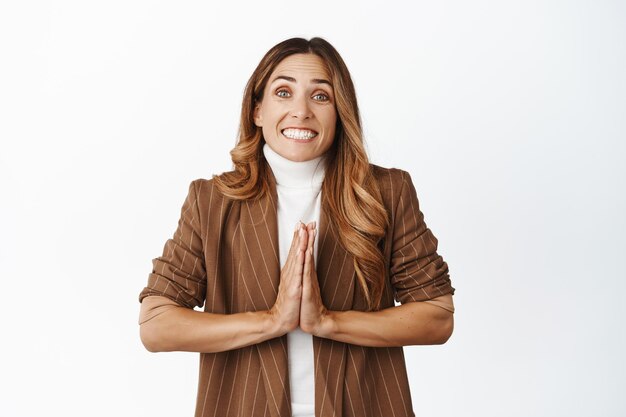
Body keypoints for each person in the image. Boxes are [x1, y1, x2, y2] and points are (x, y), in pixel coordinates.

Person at [138, 37, 455, 417]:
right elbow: (155, 325)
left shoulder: (387, 192)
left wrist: (329, 322)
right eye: (284, 92)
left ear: (340, 112)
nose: (301, 111)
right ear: (257, 110)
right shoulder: (212, 201)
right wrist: (272, 321)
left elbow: (438, 316)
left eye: (320, 96)